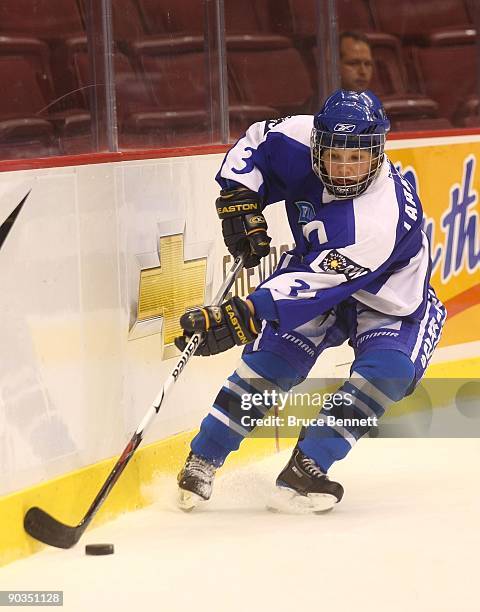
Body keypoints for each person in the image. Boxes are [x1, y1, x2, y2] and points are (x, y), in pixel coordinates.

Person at [174, 89, 446, 513]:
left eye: (356, 157)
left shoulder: (379, 218)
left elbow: (316, 285)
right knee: (270, 365)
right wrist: (238, 199)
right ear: (317, 142)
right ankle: (203, 459)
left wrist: (247, 311)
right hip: (316, 267)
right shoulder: (299, 136)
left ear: (377, 152)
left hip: (387, 295)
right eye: (334, 155)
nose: (342, 168)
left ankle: (309, 463)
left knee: (389, 371)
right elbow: (255, 143)